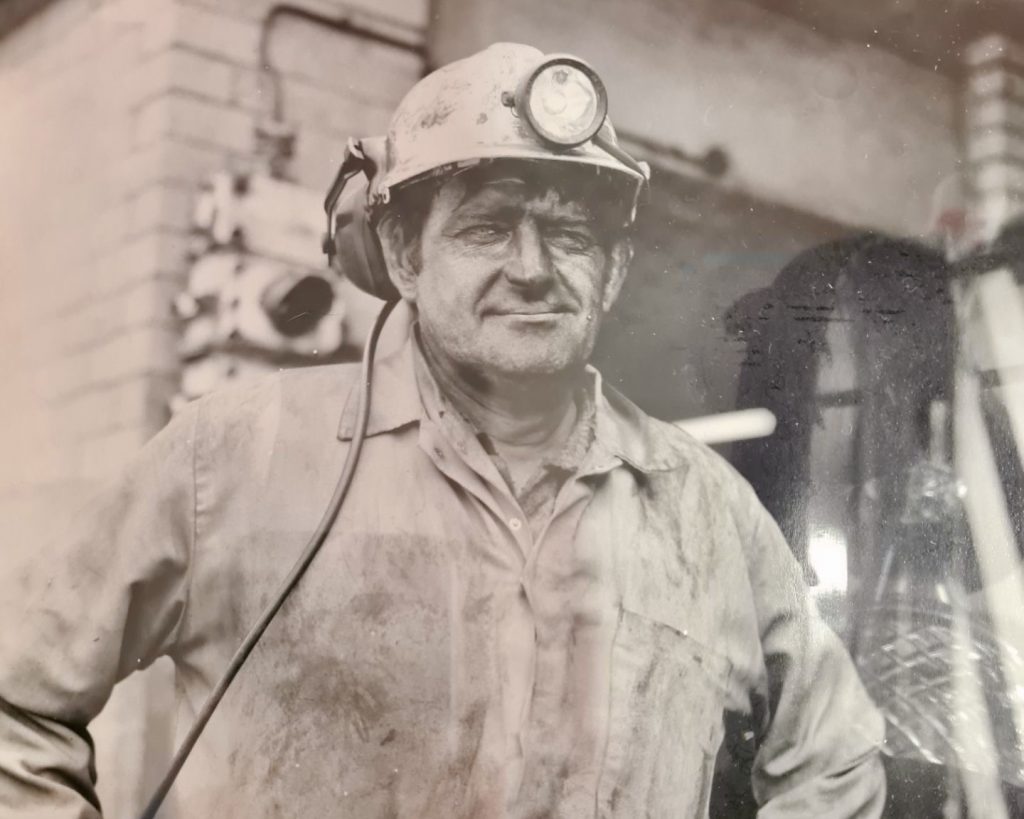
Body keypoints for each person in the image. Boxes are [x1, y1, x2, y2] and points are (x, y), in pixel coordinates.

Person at [0, 43, 885, 818]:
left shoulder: (709, 511)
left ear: (612, 271)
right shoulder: (233, 454)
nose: (532, 268)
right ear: (403, 253)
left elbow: (836, 758)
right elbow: (17, 708)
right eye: (489, 226)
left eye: (570, 233)